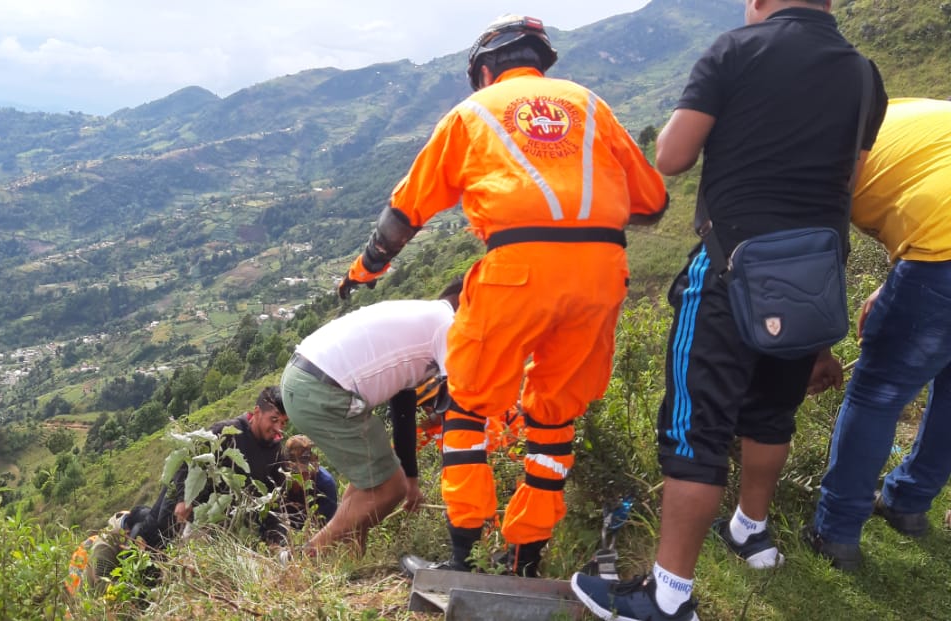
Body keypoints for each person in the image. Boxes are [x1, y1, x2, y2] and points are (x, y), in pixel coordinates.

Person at [570, 1, 887, 619]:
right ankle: (751, 529)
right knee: (771, 412)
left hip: (731, 266)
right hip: (816, 270)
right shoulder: (863, 72)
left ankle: (667, 596)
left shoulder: (735, 50)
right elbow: (847, 178)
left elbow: (671, 157)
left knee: (697, 425)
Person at [337, 14, 667, 577]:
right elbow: (655, 203)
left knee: (465, 406)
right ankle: (526, 559)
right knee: (554, 420)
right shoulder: (591, 105)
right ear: (538, 61)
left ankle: (463, 558)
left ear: (486, 70)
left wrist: (363, 271)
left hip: (516, 271)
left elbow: (404, 214)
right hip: (601, 274)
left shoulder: (472, 113)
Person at [807, 98, 951, 571]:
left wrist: (818, 346)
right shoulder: (909, 117)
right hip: (936, 244)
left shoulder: (824, 144)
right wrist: (894, 280)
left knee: (876, 394)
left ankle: (837, 531)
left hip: (940, 252)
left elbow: (816, 250)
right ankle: (909, 502)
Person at [281, 278, 465, 556]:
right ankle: (305, 557)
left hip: (304, 381)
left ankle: (352, 556)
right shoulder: (448, 324)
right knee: (391, 487)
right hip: (323, 389)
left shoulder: (424, 319)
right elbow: (459, 408)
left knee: (372, 480)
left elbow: (402, 407)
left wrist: (413, 479)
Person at [123, 387, 289, 549]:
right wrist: (184, 499)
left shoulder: (277, 455)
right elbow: (187, 463)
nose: (278, 428)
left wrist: (276, 540)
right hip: (184, 493)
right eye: (274, 420)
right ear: (257, 412)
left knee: (171, 551)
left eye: (283, 422)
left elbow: (275, 500)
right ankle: (129, 520)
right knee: (155, 533)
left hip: (209, 515)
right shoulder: (226, 432)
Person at [282, 434, 339, 528]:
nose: (305, 476)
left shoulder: (325, 484)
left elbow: (326, 527)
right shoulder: (280, 478)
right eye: (297, 473)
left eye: (307, 472)